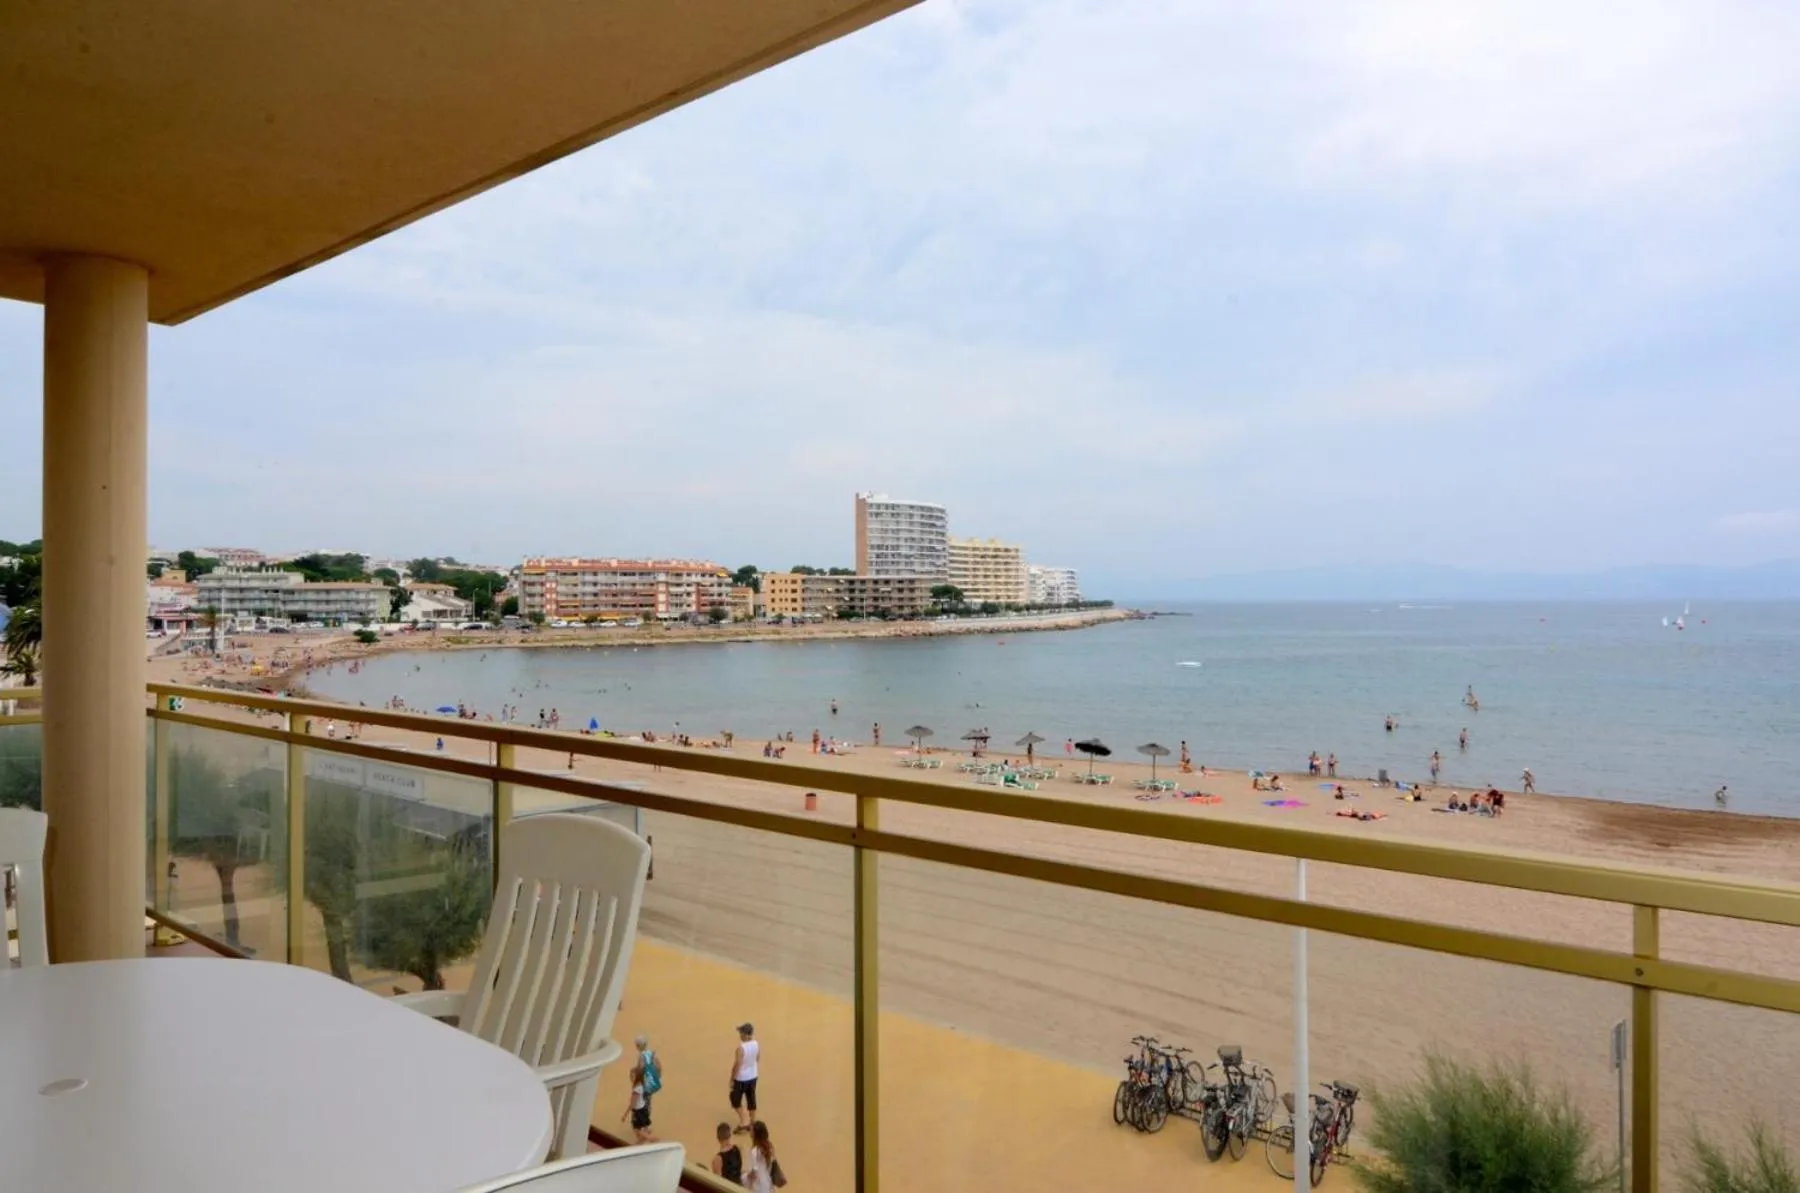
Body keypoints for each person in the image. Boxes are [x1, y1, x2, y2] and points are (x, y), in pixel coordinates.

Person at [621, 1034, 658, 1143]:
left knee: (641, 1104)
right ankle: (646, 1128)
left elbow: (640, 1070)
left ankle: (644, 1132)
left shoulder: (641, 1057)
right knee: (647, 1104)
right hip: (650, 1082)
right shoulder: (650, 1054)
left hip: (644, 1083)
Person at [730, 1022, 761, 1133]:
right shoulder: (756, 1044)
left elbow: (737, 1064)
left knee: (735, 1100)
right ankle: (752, 1123)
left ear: (746, 1034)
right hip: (753, 1076)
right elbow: (757, 1058)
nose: (740, 1035)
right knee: (751, 1098)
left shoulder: (741, 1048)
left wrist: (732, 1079)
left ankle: (744, 1122)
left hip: (741, 1078)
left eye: (741, 1033)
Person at [745, 1120, 778, 1193]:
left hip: (759, 1187)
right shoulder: (770, 1147)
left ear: (755, 1134)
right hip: (769, 1184)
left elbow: (754, 1173)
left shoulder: (754, 1151)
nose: (750, 1132)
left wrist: (745, 1178)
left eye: (751, 1130)